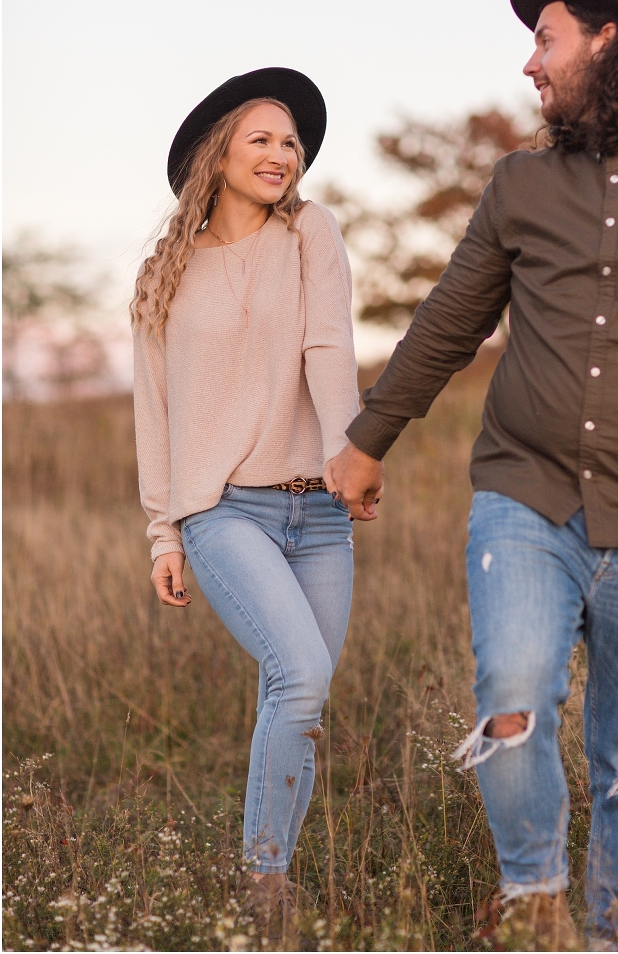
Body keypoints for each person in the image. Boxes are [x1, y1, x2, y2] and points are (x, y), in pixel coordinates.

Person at [325, 0, 618, 949]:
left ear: (609, 41)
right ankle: (536, 900)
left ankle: (617, 939)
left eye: (546, 39)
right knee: (515, 700)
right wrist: (366, 439)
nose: (530, 65)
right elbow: (448, 321)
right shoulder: (519, 184)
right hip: (528, 499)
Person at [132, 68, 360, 923]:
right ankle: (264, 887)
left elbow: (331, 349)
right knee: (298, 672)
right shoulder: (166, 274)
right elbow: (154, 413)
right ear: (218, 152)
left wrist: (353, 454)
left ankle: (271, 872)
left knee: (302, 698)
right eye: (262, 137)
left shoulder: (311, 234)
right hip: (224, 511)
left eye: (293, 141)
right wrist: (164, 533)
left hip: (321, 514)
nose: (282, 153)